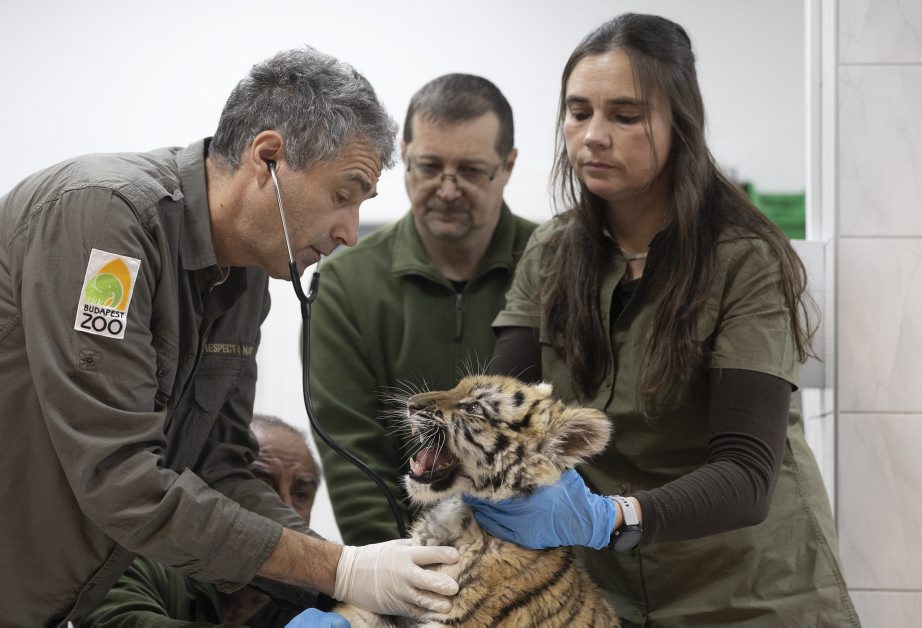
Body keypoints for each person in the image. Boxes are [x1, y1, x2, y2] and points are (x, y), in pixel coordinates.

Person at [0, 47, 458, 627]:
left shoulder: (246, 278)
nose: (349, 233)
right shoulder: (105, 221)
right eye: (343, 196)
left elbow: (219, 468)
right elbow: (121, 478)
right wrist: (338, 571)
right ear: (268, 158)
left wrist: (353, 577)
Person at [466, 13, 861, 626]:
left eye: (625, 116)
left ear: (680, 124)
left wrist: (610, 517)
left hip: (751, 591)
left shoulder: (745, 259)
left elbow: (746, 474)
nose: (594, 136)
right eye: (578, 112)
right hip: (609, 593)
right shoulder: (550, 254)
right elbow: (501, 412)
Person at [308, 74, 537, 544]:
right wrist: (401, 573)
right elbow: (353, 460)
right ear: (404, 155)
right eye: (429, 167)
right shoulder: (345, 284)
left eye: (470, 171)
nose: (447, 190)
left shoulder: (556, 265)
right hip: (406, 558)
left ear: (508, 165)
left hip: (541, 557)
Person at [82, 415, 324, 626]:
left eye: (301, 494)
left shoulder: (313, 604)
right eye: (263, 488)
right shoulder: (136, 562)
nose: (286, 509)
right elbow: (118, 620)